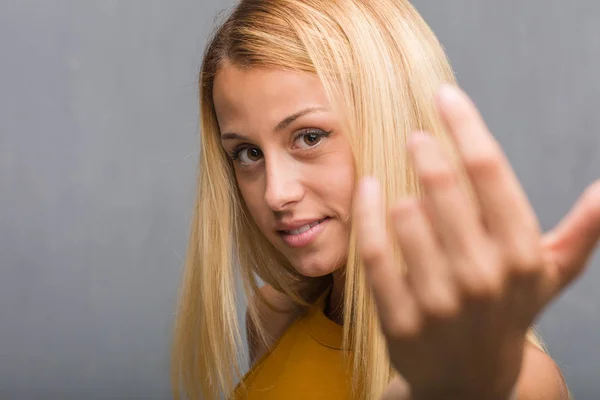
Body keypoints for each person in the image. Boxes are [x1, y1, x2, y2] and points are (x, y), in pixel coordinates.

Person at [171, 0, 600, 399]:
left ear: (392, 124)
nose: (276, 193)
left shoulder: (519, 382)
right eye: (248, 153)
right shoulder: (271, 317)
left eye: (309, 137)